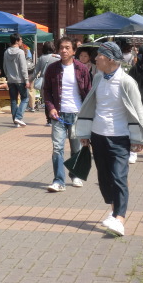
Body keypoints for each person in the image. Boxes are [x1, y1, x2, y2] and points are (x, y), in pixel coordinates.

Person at [77, 42, 143, 237]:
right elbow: (91, 106)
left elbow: (138, 110)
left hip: (120, 137)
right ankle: (114, 211)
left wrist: (140, 138)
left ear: (109, 59)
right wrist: (85, 133)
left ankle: (120, 219)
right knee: (104, 178)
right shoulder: (98, 78)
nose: (95, 58)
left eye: (99, 55)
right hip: (98, 135)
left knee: (119, 176)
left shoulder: (127, 82)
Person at [42, 36, 92, 192]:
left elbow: (88, 92)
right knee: (57, 148)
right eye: (61, 48)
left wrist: (88, 114)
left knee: (76, 148)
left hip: (77, 114)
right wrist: (51, 108)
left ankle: (75, 175)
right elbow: (46, 91)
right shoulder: (52, 69)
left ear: (74, 51)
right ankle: (58, 181)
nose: (64, 50)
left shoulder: (82, 69)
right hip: (58, 114)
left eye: (67, 48)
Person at [3, 33, 31, 128]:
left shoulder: (6, 52)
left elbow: (4, 66)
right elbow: (23, 67)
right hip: (20, 79)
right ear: (16, 41)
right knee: (25, 98)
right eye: (21, 40)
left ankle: (16, 121)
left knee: (13, 100)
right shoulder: (20, 52)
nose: (22, 41)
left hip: (10, 79)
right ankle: (18, 117)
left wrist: (8, 76)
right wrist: (26, 80)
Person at [32, 41, 60, 123]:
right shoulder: (57, 58)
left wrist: (29, 80)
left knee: (47, 99)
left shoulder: (41, 58)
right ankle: (56, 116)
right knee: (56, 98)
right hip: (56, 80)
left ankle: (48, 119)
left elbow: (36, 71)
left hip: (44, 81)